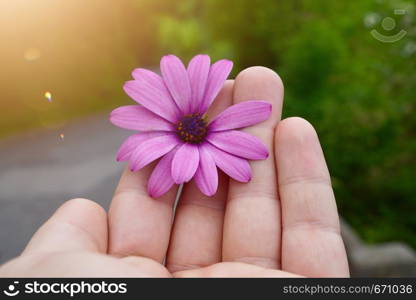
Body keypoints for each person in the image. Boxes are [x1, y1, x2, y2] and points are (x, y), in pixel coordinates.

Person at [0, 67, 349, 277]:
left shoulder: (207, 135)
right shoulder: (169, 137)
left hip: (207, 146)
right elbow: (141, 150)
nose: (193, 126)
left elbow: (240, 163)